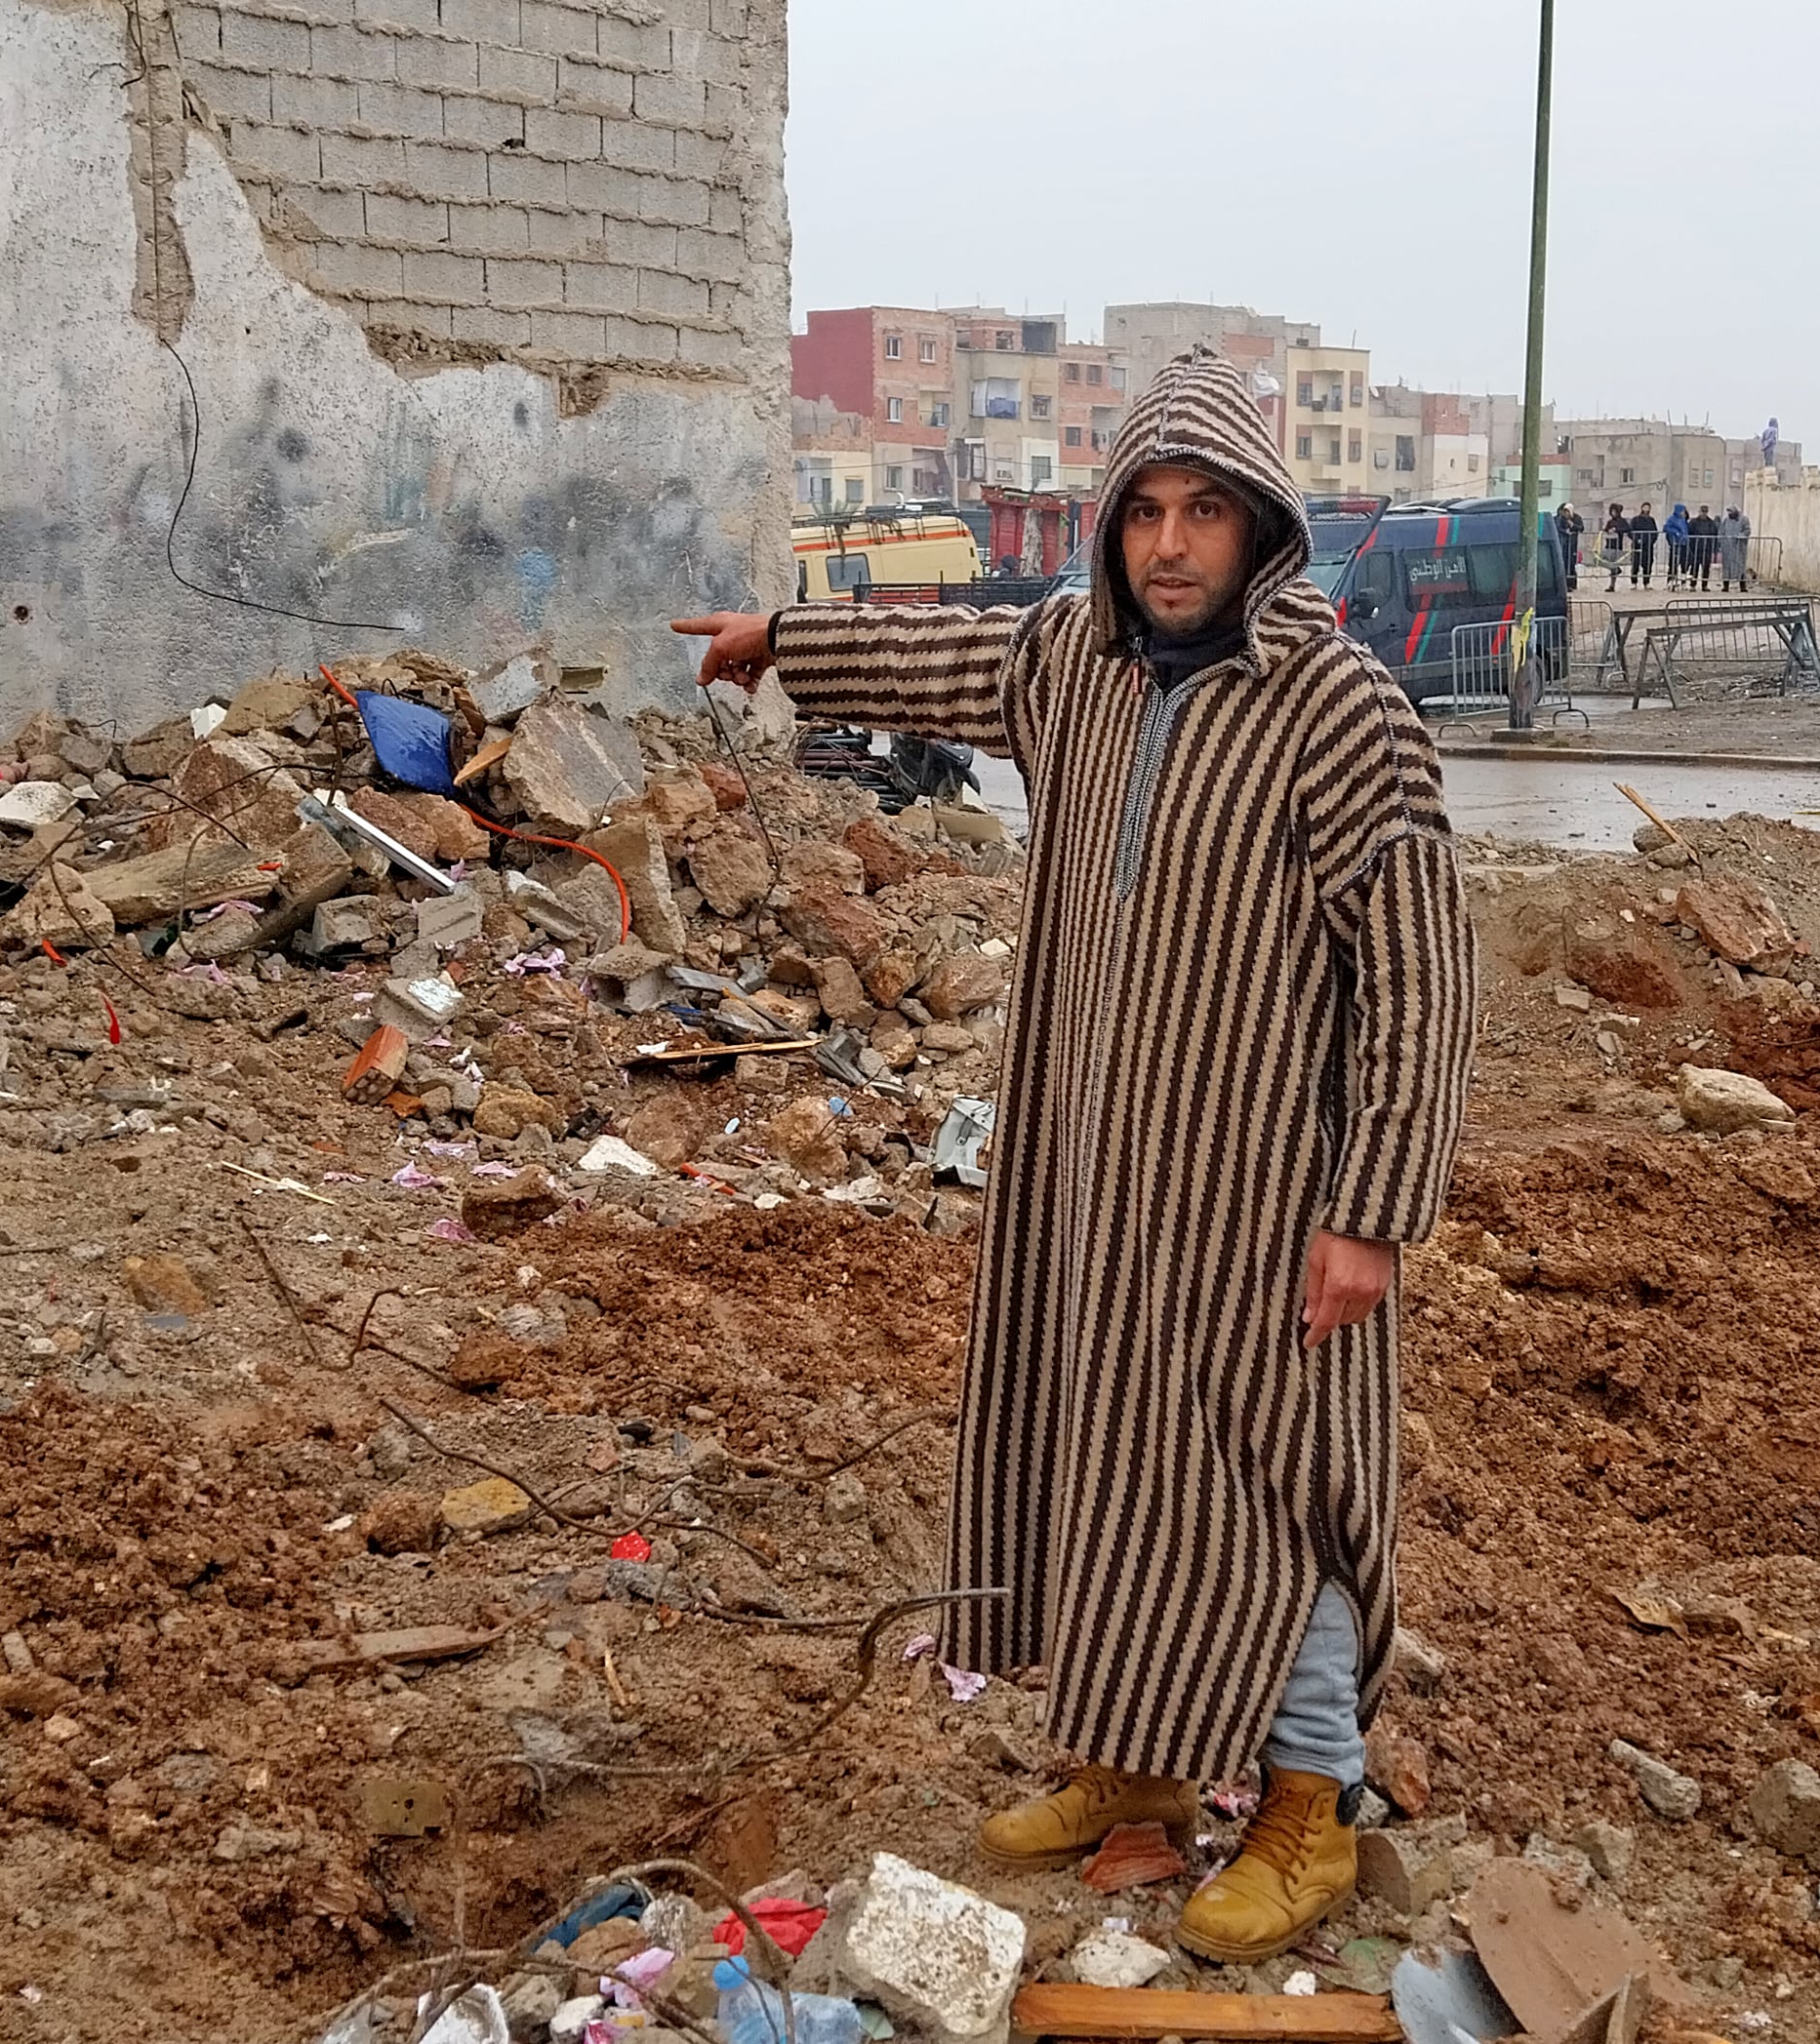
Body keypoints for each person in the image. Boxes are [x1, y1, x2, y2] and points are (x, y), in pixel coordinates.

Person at [672, 347, 1478, 1965]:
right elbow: (954, 655)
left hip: (1265, 1194)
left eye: (1205, 513)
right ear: (1111, 526)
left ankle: (1311, 1802)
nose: (1170, 545)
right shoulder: (1077, 663)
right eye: (1145, 511)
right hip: (1093, 1174)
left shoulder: (1342, 713)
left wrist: (1375, 1212)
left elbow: (1421, 975)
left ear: (1261, 529)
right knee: (1110, 1454)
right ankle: (1140, 1764)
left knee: (1272, 1479)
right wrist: (788, 639)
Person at [1719, 503, 1752, 591]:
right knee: (1726, 568)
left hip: (1739, 548)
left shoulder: (1744, 520)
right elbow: (1721, 531)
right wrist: (1721, 542)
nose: (1730, 513)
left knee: (1740, 567)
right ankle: (1725, 586)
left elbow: (1747, 530)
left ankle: (1742, 586)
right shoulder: (1726, 520)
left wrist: (1740, 536)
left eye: (1731, 511)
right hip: (1727, 548)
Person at [1686, 504, 1719, 589]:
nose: (1704, 514)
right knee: (1694, 567)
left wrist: (1714, 548)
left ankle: (1704, 585)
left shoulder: (1711, 523)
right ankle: (1692, 585)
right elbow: (1689, 533)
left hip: (1707, 549)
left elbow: (1715, 535)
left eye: (1705, 512)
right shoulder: (1693, 522)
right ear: (1699, 512)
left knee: (1706, 568)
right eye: (1702, 512)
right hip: (1695, 548)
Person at [1627, 502, 1658, 587]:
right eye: (1645, 507)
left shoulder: (1651, 520)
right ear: (1642, 508)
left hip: (1648, 546)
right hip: (1637, 545)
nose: (1646, 509)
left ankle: (1646, 582)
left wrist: (1651, 541)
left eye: (1648, 508)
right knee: (1635, 564)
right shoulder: (1635, 520)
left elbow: (1655, 532)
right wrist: (1637, 539)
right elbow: (1630, 532)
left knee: (1647, 564)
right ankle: (1634, 582)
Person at [1555, 502, 1587, 584]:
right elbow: (1558, 528)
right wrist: (1565, 531)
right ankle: (1565, 583)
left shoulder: (1577, 518)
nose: (1566, 514)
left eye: (1567, 512)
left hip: (1573, 543)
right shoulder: (1561, 518)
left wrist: (1573, 526)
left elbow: (1581, 528)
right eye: (1565, 512)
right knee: (1564, 562)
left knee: (1572, 563)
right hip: (1564, 543)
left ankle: (1572, 583)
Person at [1662, 502, 1690, 587]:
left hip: (1684, 544)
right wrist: (1676, 532)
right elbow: (1666, 527)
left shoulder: (1684, 520)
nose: (1683, 512)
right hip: (1675, 544)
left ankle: (1683, 581)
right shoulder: (1672, 519)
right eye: (1682, 511)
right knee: (1673, 563)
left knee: (1684, 563)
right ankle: (1671, 580)